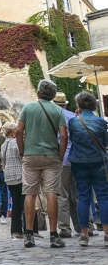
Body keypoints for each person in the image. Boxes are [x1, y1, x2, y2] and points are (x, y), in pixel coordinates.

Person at [16, 78, 67, 248]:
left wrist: (22, 152)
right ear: (53, 95)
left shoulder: (28, 108)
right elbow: (64, 136)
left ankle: (29, 234)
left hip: (30, 155)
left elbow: (18, 131)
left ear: (38, 93)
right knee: (51, 193)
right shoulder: (58, 110)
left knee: (29, 193)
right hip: (51, 156)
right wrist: (60, 155)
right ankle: (53, 234)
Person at [68, 91, 108, 248]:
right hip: (99, 162)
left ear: (79, 105)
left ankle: (84, 234)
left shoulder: (73, 122)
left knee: (83, 198)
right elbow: (104, 142)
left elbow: (72, 138)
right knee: (104, 197)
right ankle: (106, 233)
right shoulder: (101, 122)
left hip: (79, 162)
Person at [53, 92, 81, 238]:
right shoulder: (73, 117)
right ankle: (85, 226)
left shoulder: (53, 116)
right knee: (79, 195)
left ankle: (65, 228)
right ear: (65, 103)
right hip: (76, 158)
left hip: (61, 159)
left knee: (62, 195)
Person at [1, 122, 23, 238]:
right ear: (14, 132)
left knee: (15, 204)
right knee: (24, 203)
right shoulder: (16, 142)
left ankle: (15, 230)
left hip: (9, 176)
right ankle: (29, 228)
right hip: (20, 175)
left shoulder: (3, 144)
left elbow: (3, 161)